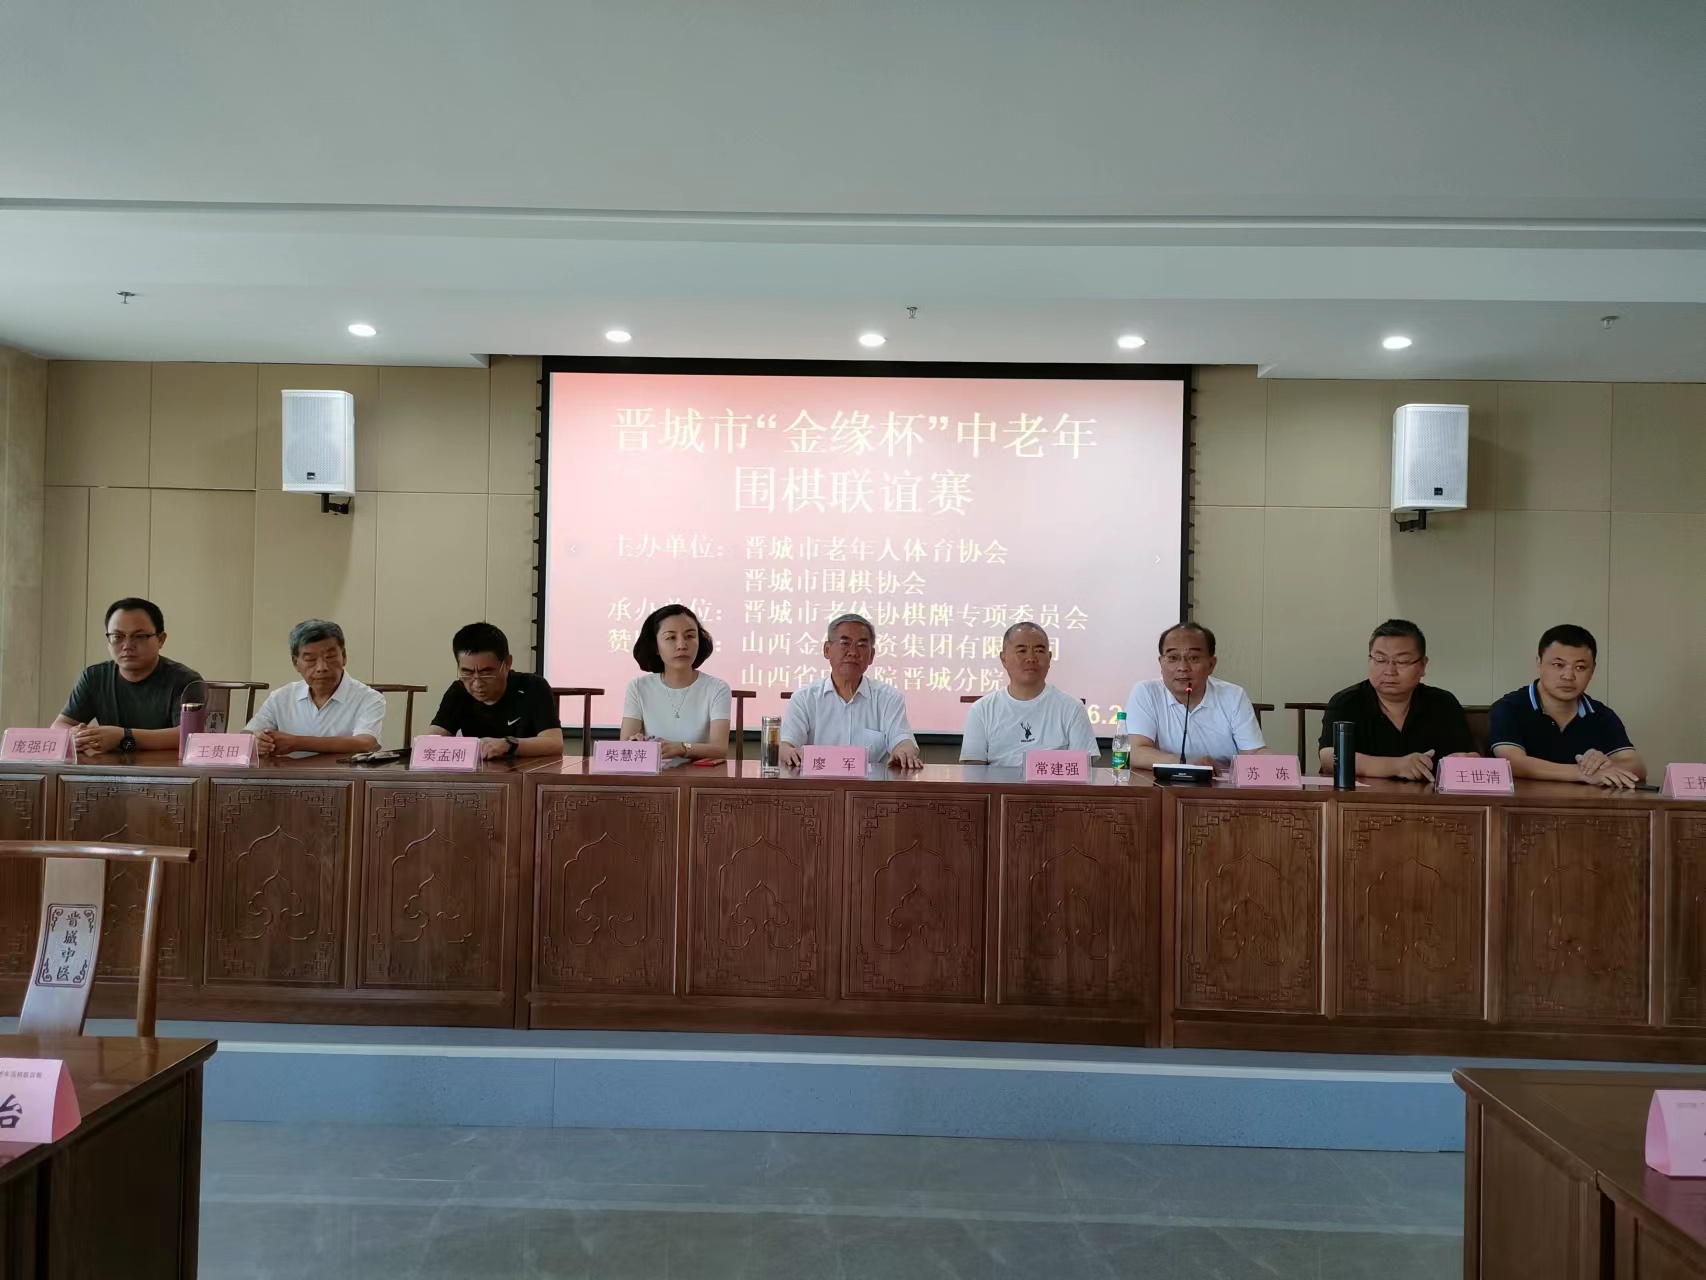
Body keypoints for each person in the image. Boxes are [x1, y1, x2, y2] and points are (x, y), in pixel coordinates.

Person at [1317, 619, 1477, 781]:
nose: (1389, 671)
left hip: (1429, 796)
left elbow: (1463, 755)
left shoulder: (1443, 704)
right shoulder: (1347, 702)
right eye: (1380, 659)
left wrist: (1468, 762)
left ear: (1423, 665)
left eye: (1402, 661)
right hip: (1364, 796)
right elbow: (1329, 758)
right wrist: (1397, 766)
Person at [1490, 624, 1645, 788]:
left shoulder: (1601, 715)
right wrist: (1582, 773)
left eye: (1580, 667)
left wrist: (1605, 765)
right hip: (1523, 802)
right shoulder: (1509, 708)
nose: (1568, 676)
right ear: (1539, 663)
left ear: (1592, 671)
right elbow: (1511, 763)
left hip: (1585, 803)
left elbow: (1637, 766)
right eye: (1558, 665)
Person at [53, 597, 203, 756]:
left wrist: (124, 736)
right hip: (108, 768)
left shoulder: (186, 681)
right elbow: (59, 725)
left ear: (160, 640)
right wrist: (77, 735)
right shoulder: (94, 677)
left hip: (167, 769)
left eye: (139, 636)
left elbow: (189, 735)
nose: (127, 645)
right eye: (118, 636)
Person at [779, 613, 922, 770]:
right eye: (844, 643)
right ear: (827, 650)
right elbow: (787, 744)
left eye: (861, 645)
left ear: (871, 656)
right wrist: (787, 751)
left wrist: (904, 752)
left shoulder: (888, 698)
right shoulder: (804, 698)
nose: (853, 652)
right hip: (817, 784)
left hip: (871, 784)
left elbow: (904, 741)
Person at [1125, 622, 1264, 770]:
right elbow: (1136, 752)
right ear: (1161, 663)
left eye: (1193, 658)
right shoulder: (1146, 692)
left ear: (1211, 665)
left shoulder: (1233, 695)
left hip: (1221, 781)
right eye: (1173, 658)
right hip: (1164, 782)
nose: (1183, 668)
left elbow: (1253, 752)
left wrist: (1275, 766)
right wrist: (1185, 763)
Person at [960, 621, 1098, 767]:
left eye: (1039, 651)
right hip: (998, 783)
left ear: (1049, 658)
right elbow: (973, 771)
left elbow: (1083, 769)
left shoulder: (1072, 708)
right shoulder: (981, 710)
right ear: (1003, 659)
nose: (1031, 658)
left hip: (1054, 783)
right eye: (1022, 651)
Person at [244, 619, 386, 757]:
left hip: (343, 773)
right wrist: (256, 742)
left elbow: (365, 743)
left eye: (330, 657)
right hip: (288, 772)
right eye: (310, 660)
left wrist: (297, 743)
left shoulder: (369, 698)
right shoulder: (281, 697)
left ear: (343, 657)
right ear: (296, 663)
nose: (321, 667)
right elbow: (246, 735)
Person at [425, 622, 564, 759]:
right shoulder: (459, 691)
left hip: (527, 770)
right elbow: (432, 739)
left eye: (487, 673)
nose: (477, 683)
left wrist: (509, 745)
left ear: (507, 663)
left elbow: (554, 743)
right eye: (467, 672)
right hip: (481, 772)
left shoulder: (533, 686)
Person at [619, 603, 731, 761]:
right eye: (671, 638)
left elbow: (719, 749)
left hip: (700, 774)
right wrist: (635, 742)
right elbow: (625, 745)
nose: (682, 645)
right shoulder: (638, 687)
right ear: (656, 647)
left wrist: (682, 748)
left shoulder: (717, 688)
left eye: (690, 636)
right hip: (655, 774)